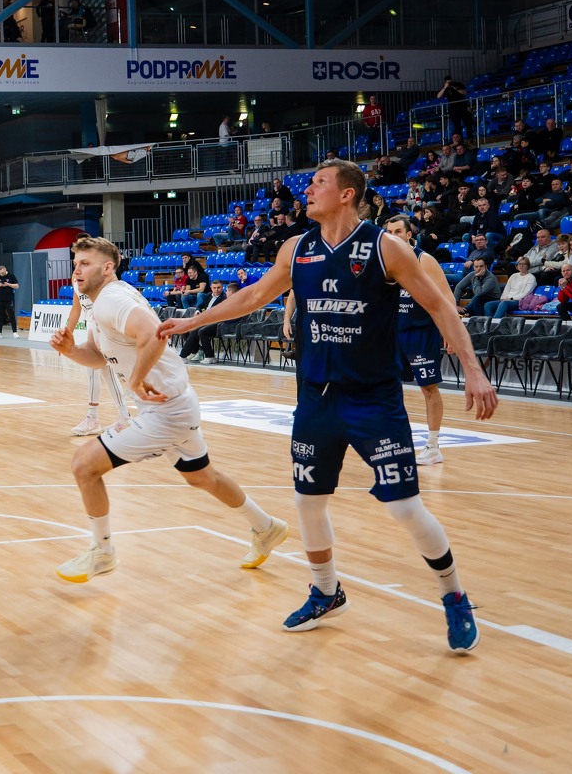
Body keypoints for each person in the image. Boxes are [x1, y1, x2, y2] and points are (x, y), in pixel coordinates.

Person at [159, 160, 497, 654]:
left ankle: (454, 595)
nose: (309, 189)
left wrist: (472, 368)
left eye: (320, 182)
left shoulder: (386, 247)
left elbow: (440, 306)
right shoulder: (296, 248)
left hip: (373, 399)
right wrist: (193, 322)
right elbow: (254, 295)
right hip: (316, 397)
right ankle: (325, 591)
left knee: (404, 506)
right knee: (307, 500)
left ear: (347, 193)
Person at [49, 237, 287, 582]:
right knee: (202, 477)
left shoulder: (112, 299)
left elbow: (153, 334)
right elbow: (99, 356)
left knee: (84, 465)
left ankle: (102, 552)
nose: (76, 270)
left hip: (166, 410)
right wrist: (71, 350)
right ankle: (266, 527)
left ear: (108, 267)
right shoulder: (101, 303)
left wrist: (136, 379)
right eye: (75, 264)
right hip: (174, 402)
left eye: (85, 263)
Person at [379, 215, 452, 465]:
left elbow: (446, 297)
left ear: (409, 235)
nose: (393, 236)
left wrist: (450, 331)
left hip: (421, 332)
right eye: (389, 232)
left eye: (398, 231)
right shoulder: (383, 262)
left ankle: (433, 446)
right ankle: (394, 440)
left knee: (428, 388)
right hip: (392, 333)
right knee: (386, 387)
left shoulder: (424, 260)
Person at [62, 277, 132, 436]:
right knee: (107, 372)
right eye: (76, 264)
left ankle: (92, 418)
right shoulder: (75, 277)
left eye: (82, 264)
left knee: (93, 369)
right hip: (92, 326)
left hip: (105, 326)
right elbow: (76, 308)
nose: (78, 266)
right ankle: (125, 416)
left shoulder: (99, 275)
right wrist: (67, 334)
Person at [179, 280, 229, 364]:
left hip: (217, 323)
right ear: (211, 288)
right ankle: (195, 350)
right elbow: (200, 305)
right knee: (185, 328)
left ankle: (184, 356)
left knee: (198, 331)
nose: (216, 290)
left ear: (222, 287)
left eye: (218, 288)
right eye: (214, 288)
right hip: (205, 321)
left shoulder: (224, 298)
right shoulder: (208, 295)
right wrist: (198, 310)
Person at [439, 75, 472, 140]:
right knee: (457, 126)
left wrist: (455, 88)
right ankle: (460, 141)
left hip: (462, 106)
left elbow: (465, 92)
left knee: (467, 123)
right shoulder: (446, 89)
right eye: (447, 82)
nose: (449, 83)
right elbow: (438, 96)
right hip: (454, 108)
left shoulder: (458, 84)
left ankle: (470, 139)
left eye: (450, 81)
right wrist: (445, 87)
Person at [0, 265, 19, 337]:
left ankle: (14, 332)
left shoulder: (11, 275)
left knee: (11, 315)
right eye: (0, 273)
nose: (1, 274)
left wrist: (8, 284)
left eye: (2, 273)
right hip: (0, 299)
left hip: (8, 299)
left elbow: (17, 286)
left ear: (5, 269)